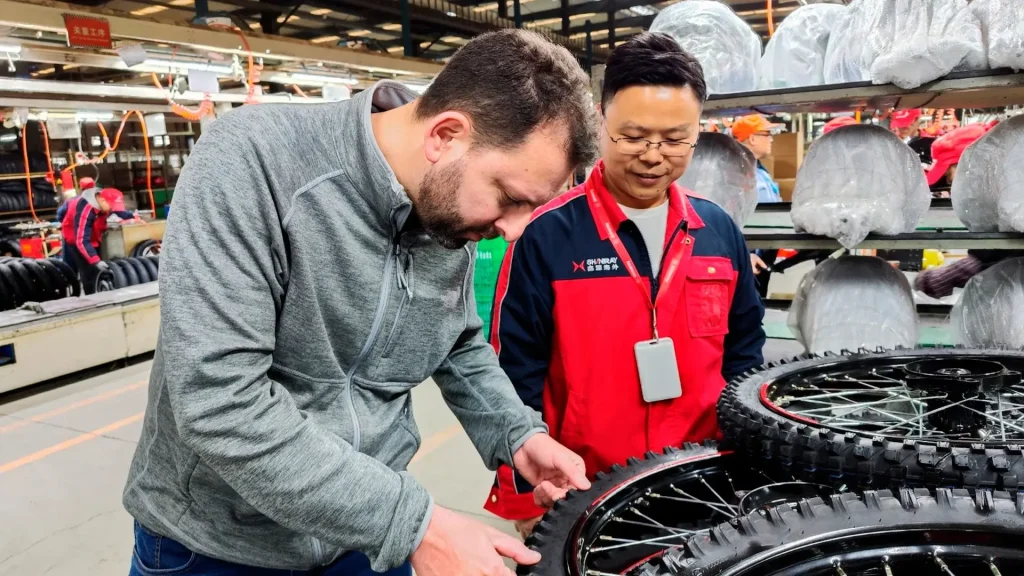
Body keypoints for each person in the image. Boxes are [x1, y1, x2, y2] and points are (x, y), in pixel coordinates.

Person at [121, 29, 599, 576]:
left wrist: (517, 432)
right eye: (510, 198)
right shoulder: (254, 161)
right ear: (445, 135)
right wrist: (414, 523)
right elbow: (220, 402)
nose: (512, 232)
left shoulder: (447, 206)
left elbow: (456, 339)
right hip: (219, 545)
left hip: (360, 538)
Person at [481, 32, 766, 537]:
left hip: (703, 486)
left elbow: (744, 353)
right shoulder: (547, 236)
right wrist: (524, 496)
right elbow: (511, 372)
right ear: (599, 120)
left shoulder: (718, 231)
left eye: (676, 139)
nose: (654, 156)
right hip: (582, 492)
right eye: (633, 137)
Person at [732, 114, 783, 282]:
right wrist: (746, 255)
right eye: (767, 134)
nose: (772, 140)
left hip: (762, 258)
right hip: (748, 261)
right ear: (752, 138)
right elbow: (730, 218)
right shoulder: (735, 172)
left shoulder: (759, 170)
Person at [60, 186, 135, 293]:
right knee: (88, 272)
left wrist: (132, 216)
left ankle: (102, 292)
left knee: (97, 269)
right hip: (76, 239)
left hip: (93, 236)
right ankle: (92, 299)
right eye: (111, 206)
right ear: (102, 200)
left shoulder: (104, 201)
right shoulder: (85, 208)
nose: (111, 209)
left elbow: (118, 211)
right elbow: (81, 240)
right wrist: (95, 260)